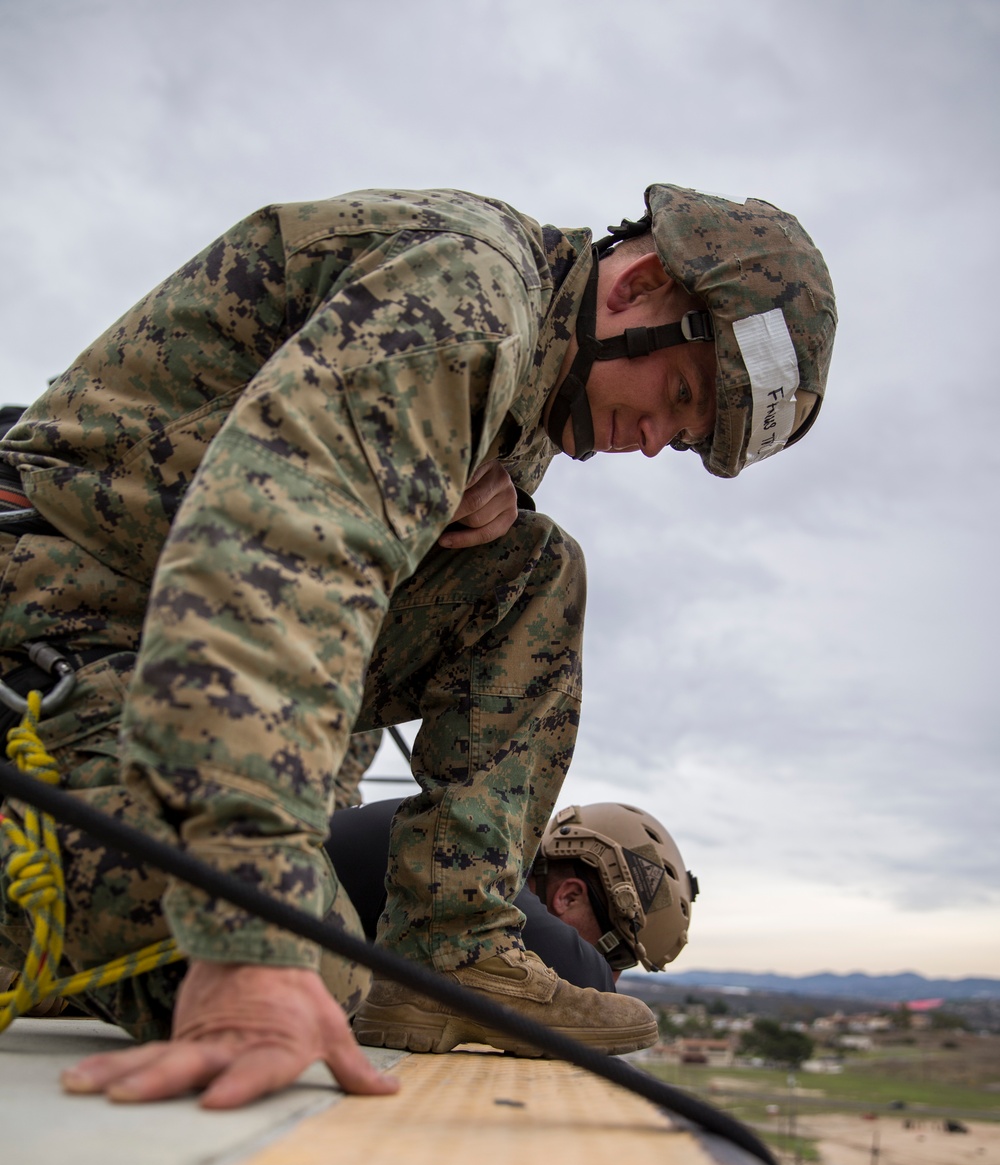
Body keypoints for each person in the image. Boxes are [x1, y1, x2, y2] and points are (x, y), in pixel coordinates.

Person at [0, 183, 835, 1106]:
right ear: (636, 288)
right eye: (676, 397)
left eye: (678, 441)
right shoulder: (467, 301)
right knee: (300, 976)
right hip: (58, 625)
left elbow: (359, 619)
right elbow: (291, 559)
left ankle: (449, 946)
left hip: (158, 634)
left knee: (534, 569)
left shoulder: (529, 385)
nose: (650, 441)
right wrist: (250, 927)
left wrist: (494, 490)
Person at [327, 795, 696, 995]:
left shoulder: (479, 846)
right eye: (616, 957)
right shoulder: (477, 861)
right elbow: (589, 987)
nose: (613, 977)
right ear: (569, 896)